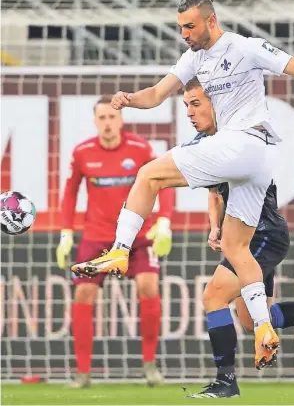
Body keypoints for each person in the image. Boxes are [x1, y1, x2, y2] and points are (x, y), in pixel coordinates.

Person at [71, 0, 294, 375]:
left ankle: (120, 248)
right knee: (238, 248)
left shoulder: (245, 47)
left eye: (190, 25)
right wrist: (128, 99)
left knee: (147, 175)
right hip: (257, 163)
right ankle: (265, 327)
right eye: (180, 27)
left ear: (210, 20)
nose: (184, 33)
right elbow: (155, 94)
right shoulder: (193, 59)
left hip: (243, 142)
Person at [182, 77, 294, 398]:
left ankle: (226, 381)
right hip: (250, 235)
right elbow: (215, 194)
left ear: (216, 103)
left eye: (195, 103)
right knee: (253, 320)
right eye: (186, 106)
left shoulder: (239, 139)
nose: (189, 113)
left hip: (261, 234)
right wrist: (215, 226)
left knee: (213, 296)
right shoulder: (207, 144)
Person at [57, 95, 175, 387]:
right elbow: (70, 193)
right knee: (84, 294)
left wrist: (164, 220)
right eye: (102, 118)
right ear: (95, 121)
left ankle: (150, 366)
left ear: (121, 120)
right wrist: (65, 232)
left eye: (112, 117)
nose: (107, 123)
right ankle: (83, 373)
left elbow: (165, 181)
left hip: (137, 235)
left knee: (148, 286)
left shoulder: (139, 148)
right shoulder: (82, 152)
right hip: (96, 237)